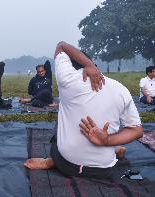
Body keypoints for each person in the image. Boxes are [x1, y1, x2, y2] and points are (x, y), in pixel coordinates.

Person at [24, 41, 143, 179]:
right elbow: (137, 131)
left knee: (62, 117)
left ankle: (52, 160)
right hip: (104, 169)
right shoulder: (121, 89)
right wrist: (106, 141)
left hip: (68, 165)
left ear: (72, 66)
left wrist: (88, 64)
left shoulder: (67, 80)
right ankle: (115, 148)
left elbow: (61, 45)